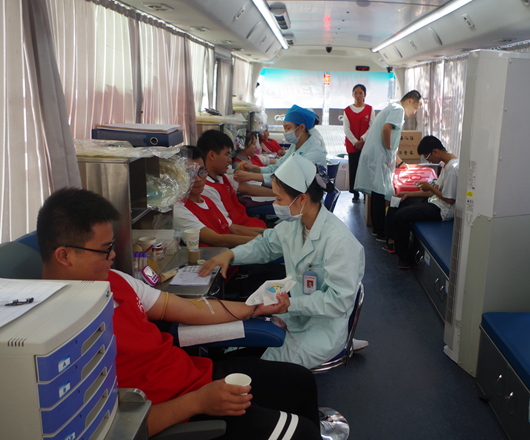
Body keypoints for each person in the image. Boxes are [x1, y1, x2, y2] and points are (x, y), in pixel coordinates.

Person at [37, 188, 322, 440]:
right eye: (104, 249)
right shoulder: (54, 335)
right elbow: (108, 427)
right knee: (304, 433)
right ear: (65, 255)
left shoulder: (115, 280)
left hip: (195, 376)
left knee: (300, 382)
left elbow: (185, 308)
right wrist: (198, 402)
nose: (113, 255)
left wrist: (253, 308)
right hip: (178, 410)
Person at [200, 155, 367, 369]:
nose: (275, 205)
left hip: (321, 328)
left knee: (263, 369)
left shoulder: (340, 241)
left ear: (302, 199)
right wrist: (231, 255)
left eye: (279, 199)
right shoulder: (295, 224)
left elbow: (338, 301)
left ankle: (339, 345)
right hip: (294, 315)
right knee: (238, 349)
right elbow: (265, 246)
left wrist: (291, 305)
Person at [354, 90, 422, 242]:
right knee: (379, 192)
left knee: (376, 191)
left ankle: (376, 229)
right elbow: (386, 130)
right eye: (415, 108)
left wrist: (399, 161)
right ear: (410, 101)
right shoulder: (398, 110)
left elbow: (390, 139)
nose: (414, 112)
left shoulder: (392, 107)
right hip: (379, 155)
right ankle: (380, 232)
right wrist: (389, 152)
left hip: (376, 154)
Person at [385, 136, 458, 269]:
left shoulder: (452, 169)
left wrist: (430, 187)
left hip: (442, 210)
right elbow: (433, 192)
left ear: (435, 151)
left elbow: (449, 199)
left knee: (401, 216)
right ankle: (392, 240)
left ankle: (404, 259)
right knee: (397, 201)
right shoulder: (445, 164)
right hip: (434, 200)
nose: (428, 161)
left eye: (427, 157)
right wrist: (407, 194)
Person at [173, 146, 263, 247]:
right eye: (190, 174)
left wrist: (266, 236)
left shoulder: (207, 200)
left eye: (201, 172)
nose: (198, 179)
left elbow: (233, 229)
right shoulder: (178, 209)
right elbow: (217, 240)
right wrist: (264, 242)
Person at [233, 105, 328, 185]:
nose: (285, 132)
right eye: (284, 128)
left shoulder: (314, 152)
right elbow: (278, 166)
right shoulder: (295, 146)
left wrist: (251, 176)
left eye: (288, 128)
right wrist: (256, 169)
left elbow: (288, 178)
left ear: (301, 127)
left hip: (306, 198)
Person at [198, 130, 273, 229]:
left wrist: (279, 194)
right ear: (212, 155)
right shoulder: (207, 189)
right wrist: (266, 234)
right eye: (226, 155)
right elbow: (229, 228)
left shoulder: (223, 177)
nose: (229, 160)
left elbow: (250, 188)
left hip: (250, 225)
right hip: (244, 232)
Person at [343, 84, 375, 202]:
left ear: (365, 95)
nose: (358, 95)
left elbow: (372, 126)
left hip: (366, 145)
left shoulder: (370, 109)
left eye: (360, 93)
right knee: (354, 170)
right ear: (352, 95)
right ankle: (355, 194)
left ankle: (366, 194)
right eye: (355, 93)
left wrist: (362, 140)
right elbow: (346, 129)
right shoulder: (347, 110)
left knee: (366, 169)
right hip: (352, 146)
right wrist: (355, 142)